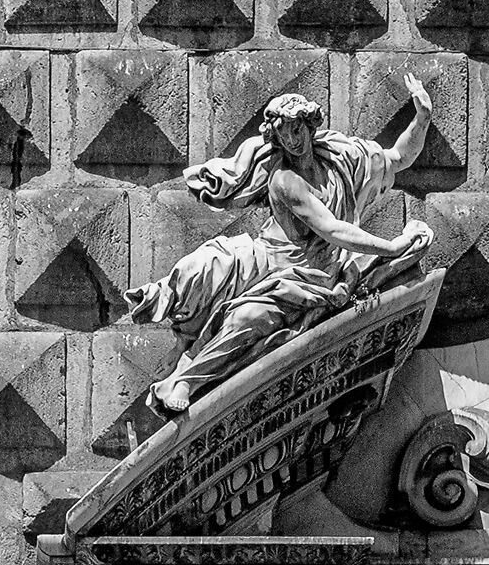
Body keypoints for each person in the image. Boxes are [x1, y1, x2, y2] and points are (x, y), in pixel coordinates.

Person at [126, 85, 434, 415]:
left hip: (312, 272)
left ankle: (186, 380)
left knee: (249, 317)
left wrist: (422, 118)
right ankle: (170, 323)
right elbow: (331, 228)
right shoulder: (284, 181)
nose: (292, 140)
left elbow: (399, 158)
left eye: (297, 129)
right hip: (269, 259)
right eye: (284, 133)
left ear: (311, 125)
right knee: (208, 263)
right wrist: (390, 247)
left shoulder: (343, 158)